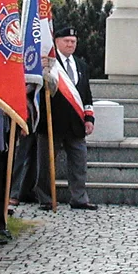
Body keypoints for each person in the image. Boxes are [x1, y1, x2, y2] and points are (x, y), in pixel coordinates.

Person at [39, 27, 97, 210]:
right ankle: (46, 198)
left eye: (73, 41)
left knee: (79, 162)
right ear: (57, 41)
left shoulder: (81, 65)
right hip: (52, 122)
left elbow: (86, 95)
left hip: (76, 124)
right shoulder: (48, 64)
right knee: (46, 164)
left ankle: (79, 198)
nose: (71, 44)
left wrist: (89, 119)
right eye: (67, 41)